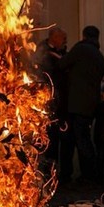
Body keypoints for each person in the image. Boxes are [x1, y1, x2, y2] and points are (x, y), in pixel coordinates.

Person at [57, 25, 104, 184]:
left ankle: (85, 175)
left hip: (75, 104)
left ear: (84, 36)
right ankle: (91, 174)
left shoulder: (80, 50)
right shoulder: (100, 56)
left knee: (76, 140)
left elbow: (62, 64)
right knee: (84, 139)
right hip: (90, 105)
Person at [33, 26, 69, 183]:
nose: (65, 41)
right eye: (63, 38)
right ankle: (47, 174)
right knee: (49, 140)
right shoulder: (44, 53)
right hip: (48, 102)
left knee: (58, 140)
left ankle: (56, 173)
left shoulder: (62, 53)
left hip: (59, 103)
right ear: (54, 38)